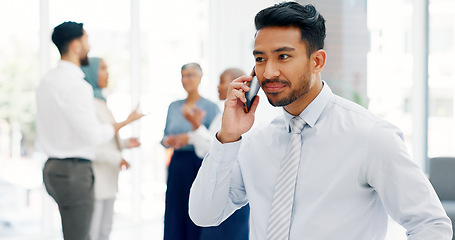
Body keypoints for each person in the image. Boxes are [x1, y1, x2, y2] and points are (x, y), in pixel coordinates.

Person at [189, 2, 453, 240]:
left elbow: (430, 225)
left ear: (317, 60)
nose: (268, 71)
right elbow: (204, 214)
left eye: (283, 56)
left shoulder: (370, 136)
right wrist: (227, 137)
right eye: (260, 59)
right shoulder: (254, 143)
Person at [36, 22, 143, 240]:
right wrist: (123, 123)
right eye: (86, 40)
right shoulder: (77, 85)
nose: (89, 45)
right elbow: (92, 135)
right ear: (76, 45)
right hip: (74, 171)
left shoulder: (47, 81)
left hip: (53, 167)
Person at [184, 68, 250, 240]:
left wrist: (197, 126)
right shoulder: (221, 116)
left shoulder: (244, 120)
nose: (218, 86)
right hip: (215, 194)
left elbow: (212, 148)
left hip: (230, 199)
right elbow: (205, 151)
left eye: (222, 81)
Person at [81, 57, 143, 240]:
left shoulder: (101, 102)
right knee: (92, 233)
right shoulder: (88, 104)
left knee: (104, 230)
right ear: (90, 72)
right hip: (96, 180)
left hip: (109, 178)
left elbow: (105, 138)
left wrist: (124, 143)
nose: (107, 73)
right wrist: (118, 158)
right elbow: (91, 147)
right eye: (102, 69)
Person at [161, 63, 220, 240]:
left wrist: (189, 137)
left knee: (196, 209)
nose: (186, 79)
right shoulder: (173, 106)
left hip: (199, 163)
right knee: (175, 209)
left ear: (200, 78)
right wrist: (169, 140)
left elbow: (214, 139)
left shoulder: (210, 107)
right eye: (183, 75)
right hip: (177, 163)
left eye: (191, 75)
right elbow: (163, 137)